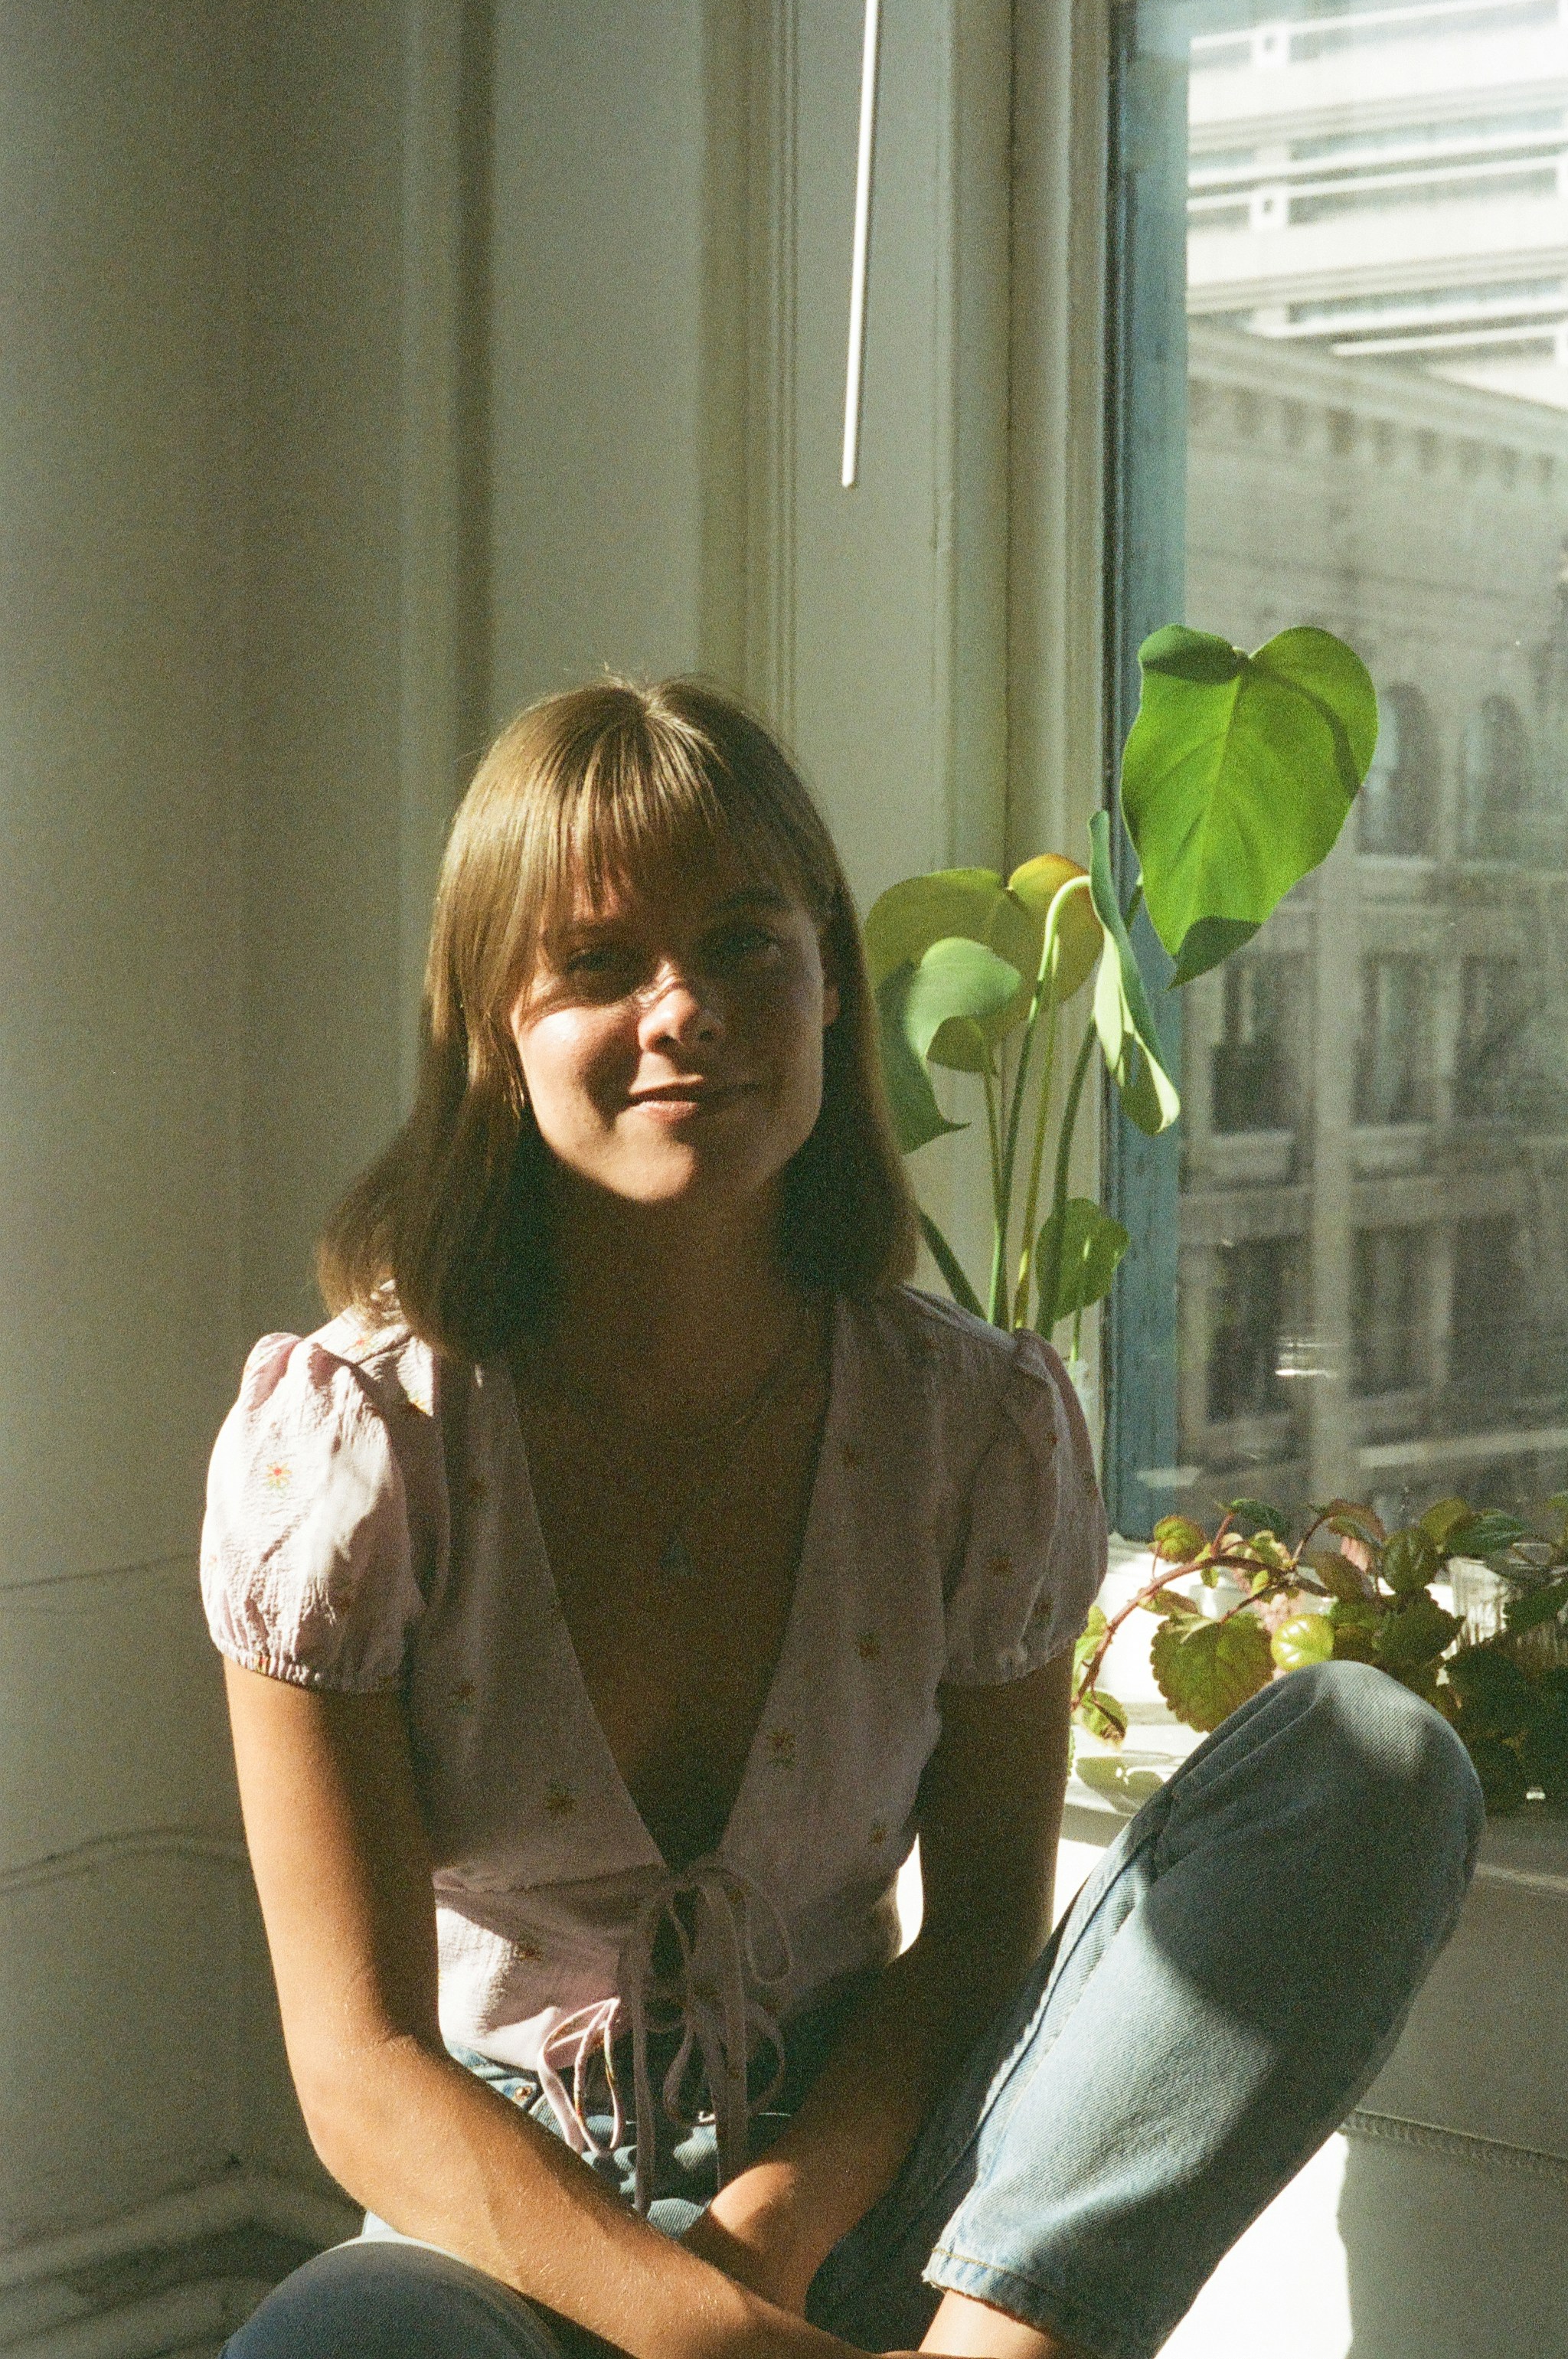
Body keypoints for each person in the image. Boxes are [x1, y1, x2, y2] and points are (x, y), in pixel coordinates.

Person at [201, 678, 1481, 2359]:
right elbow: (361, 2071)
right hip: (507, 2239)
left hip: (906, 2206)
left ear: (826, 984)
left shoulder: (972, 1427)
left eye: (742, 943)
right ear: (492, 1029)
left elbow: (979, 1940)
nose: (684, 1009)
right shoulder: (356, 1448)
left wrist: (775, 2234)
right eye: (598, 962)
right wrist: (713, 2335)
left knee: (1371, 1757)